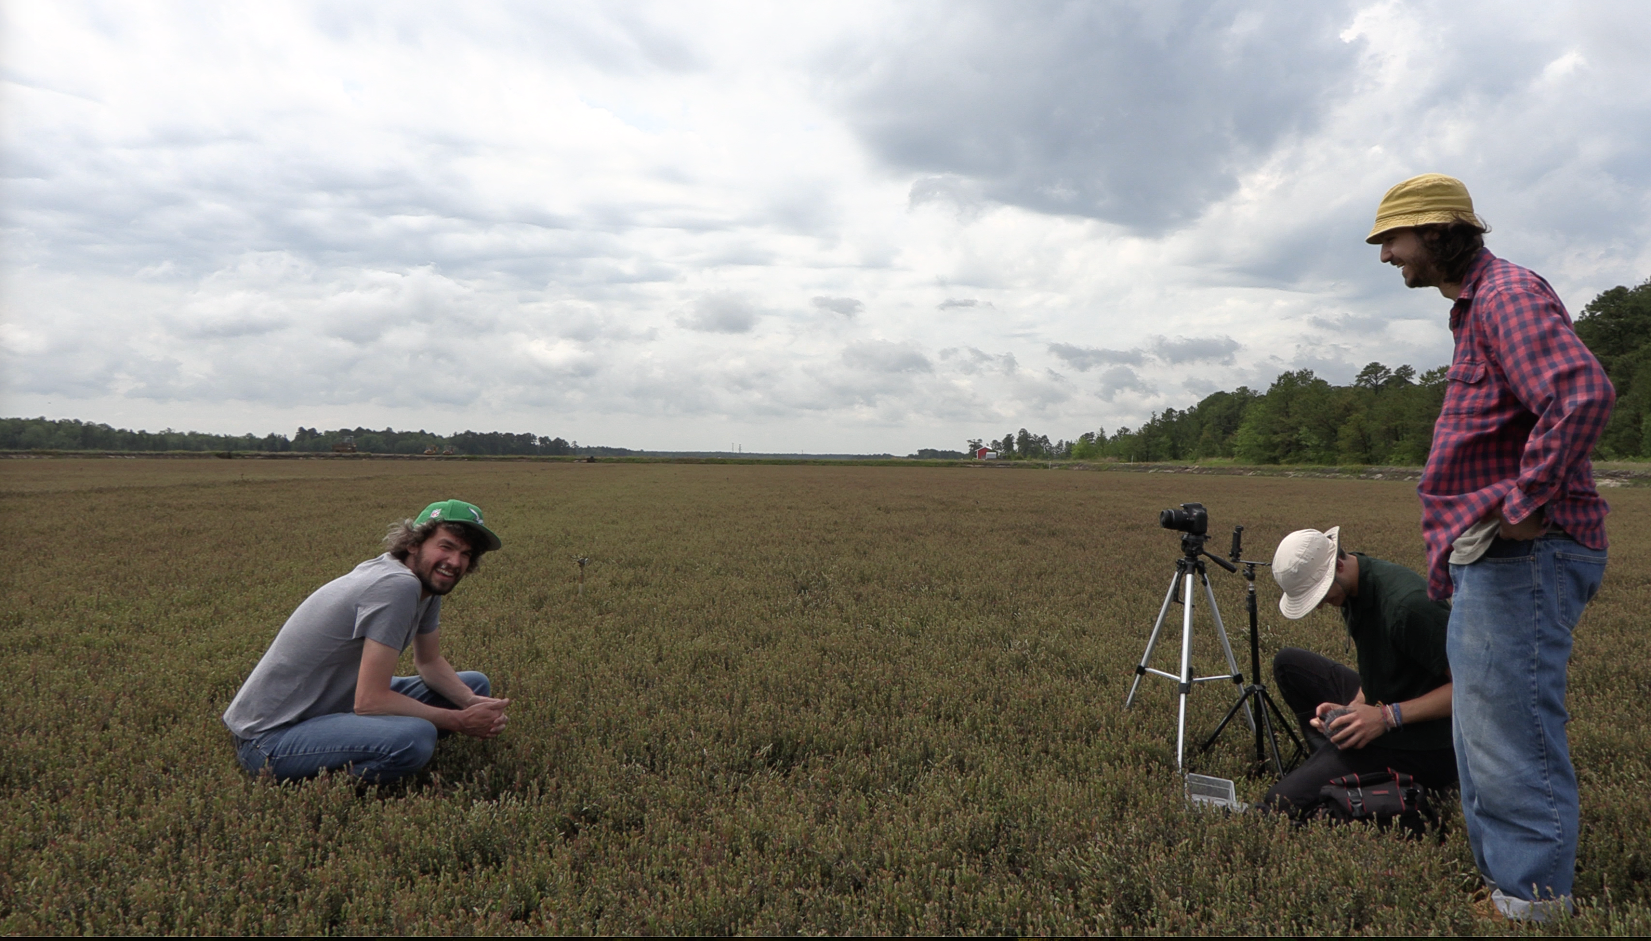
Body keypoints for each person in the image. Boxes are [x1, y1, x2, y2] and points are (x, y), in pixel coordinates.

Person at [1368, 174, 1614, 921]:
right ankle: (1507, 884)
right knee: (1481, 729)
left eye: (1392, 238)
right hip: (1495, 554)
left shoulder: (1503, 294)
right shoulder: (1474, 307)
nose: (1384, 255)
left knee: (1509, 729)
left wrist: (1523, 500)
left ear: (1437, 231)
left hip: (1524, 553)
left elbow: (1580, 392)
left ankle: (1531, 903)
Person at [223, 499, 511, 783]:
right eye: (446, 546)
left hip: (337, 703)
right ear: (414, 543)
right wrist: (459, 721)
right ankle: (323, 790)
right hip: (268, 737)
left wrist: (471, 702)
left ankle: (357, 742)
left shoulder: (426, 586)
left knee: (473, 685)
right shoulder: (397, 586)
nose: (455, 562)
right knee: (415, 738)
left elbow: (430, 661)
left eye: (466, 554)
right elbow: (370, 701)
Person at [1262, 527, 1456, 814]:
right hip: (1387, 703)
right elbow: (1380, 662)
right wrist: (1353, 709)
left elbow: (1473, 688)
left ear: (1338, 565)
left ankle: (1344, 763)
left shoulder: (1407, 606)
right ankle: (1341, 749)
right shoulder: (1353, 587)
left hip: (1428, 742)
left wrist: (1386, 718)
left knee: (1279, 804)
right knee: (1290, 664)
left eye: (1321, 593)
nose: (1319, 607)